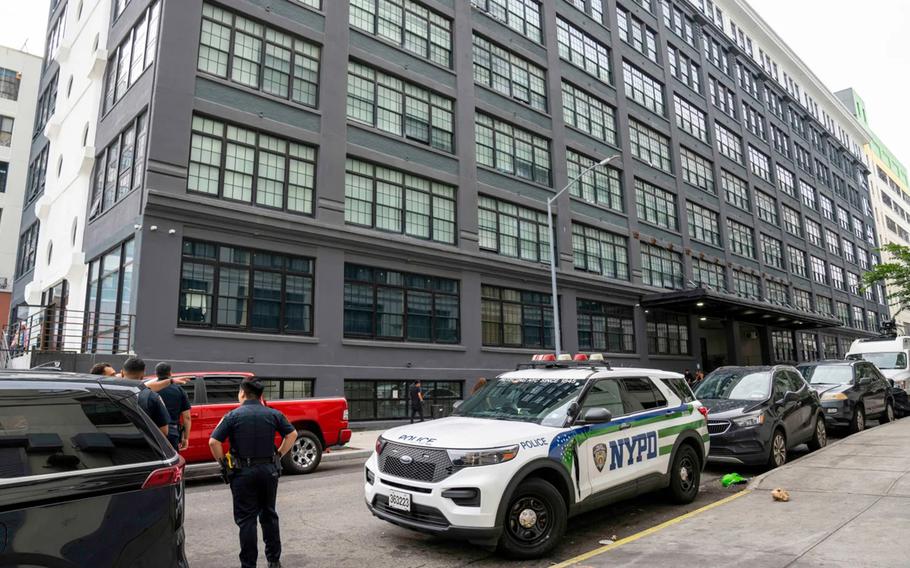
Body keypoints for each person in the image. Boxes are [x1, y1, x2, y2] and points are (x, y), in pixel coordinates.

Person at [209, 376, 297, 568]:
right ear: (260, 395)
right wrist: (279, 455)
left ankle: (248, 564)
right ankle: (274, 560)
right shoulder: (273, 414)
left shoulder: (232, 415)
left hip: (242, 473)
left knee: (247, 520)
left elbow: (213, 442)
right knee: (268, 515)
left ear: (242, 393)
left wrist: (223, 464)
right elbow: (292, 434)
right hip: (268, 470)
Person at [120, 357, 170, 438]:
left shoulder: (107, 391)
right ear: (143, 375)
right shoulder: (152, 397)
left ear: (122, 373)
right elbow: (164, 431)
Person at [155, 362, 192, 451]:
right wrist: (185, 438)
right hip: (172, 432)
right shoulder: (178, 390)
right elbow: (187, 417)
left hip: (153, 431)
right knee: (173, 462)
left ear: (156, 374)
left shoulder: (151, 389)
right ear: (170, 373)